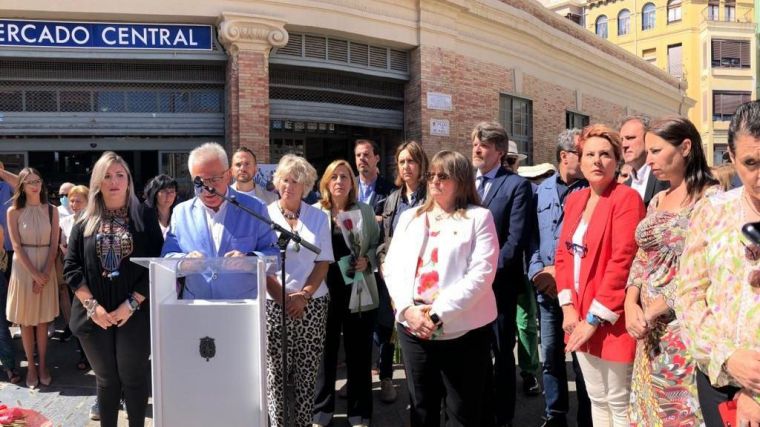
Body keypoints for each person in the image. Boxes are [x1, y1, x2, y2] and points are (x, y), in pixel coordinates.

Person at [384, 150, 499, 426]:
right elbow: (392, 266)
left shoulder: (479, 218)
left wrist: (437, 315)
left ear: (460, 181)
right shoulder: (409, 217)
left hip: (463, 332)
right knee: (422, 409)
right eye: (431, 175)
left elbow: (481, 275)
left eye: (443, 176)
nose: (434, 181)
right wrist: (407, 310)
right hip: (414, 330)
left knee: (463, 412)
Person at [624, 116, 718, 425]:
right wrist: (630, 301)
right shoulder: (658, 199)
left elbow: (706, 270)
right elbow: (643, 256)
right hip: (648, 333)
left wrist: (656, 309)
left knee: (680, 413)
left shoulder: (712, 200)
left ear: (685, 147)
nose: (647, 160)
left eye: (655, 151)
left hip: (683, 330)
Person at [676, 101, 760, 426]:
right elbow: (689, 296)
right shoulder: (712, 212)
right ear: (732, 155)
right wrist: (727, 356)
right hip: (717, 383)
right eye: (750, 163)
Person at [63, 152, 162, 427]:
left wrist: (131, 303)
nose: (114, 181)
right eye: (107, 175)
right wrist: (92, 307)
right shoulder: (84, 219)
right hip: (94, 316)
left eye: (120, 175)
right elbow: (71, 267)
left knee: (133, 378)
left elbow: (157, 263)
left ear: (128, 181)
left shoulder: (143, 215)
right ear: (98, 181)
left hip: (134, 313)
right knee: (106, 381)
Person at [555, 124, 645, 427]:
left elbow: (623, 262)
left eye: (605, 154)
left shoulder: (626, 199)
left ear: (617, 160)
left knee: (619, 402)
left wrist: (593, 320)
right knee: (595, 398)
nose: (597, 160)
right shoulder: (576, 200)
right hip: (577, 317)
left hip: (611, 319)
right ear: (579, 160)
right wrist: (568, 307)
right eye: (590, 154)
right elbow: (562, 256)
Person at [528, 129, 592, 427]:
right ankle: (555, 414)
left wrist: (560, 272)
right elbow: (532, 238)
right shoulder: (541, 191)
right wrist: (537, 270)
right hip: (545, 289)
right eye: (583, 153)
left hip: (577, 291)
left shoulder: (591, 192)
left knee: (580, 358)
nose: (589, 159)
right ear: (565, 156)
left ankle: (587, 417)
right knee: (550, 355)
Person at [471, 121, 533, 426]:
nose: (477, 150)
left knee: (501, 354)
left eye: (483, 145)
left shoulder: (516, 186)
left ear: (499, 151)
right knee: (474, 353)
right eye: (474, 145)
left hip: (498, 286)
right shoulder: (467, 183)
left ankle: (503, 415)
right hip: (467, 287)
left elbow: (515, 240)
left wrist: (486, 275)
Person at [265, 154, 333, 427]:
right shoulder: (264, 214)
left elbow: (323, 262)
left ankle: (305, 423)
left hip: (312, 303)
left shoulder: (318, 217)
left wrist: (303, 296)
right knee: (277, 374)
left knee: (307, 373)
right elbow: (263, 266)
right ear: (276, 182)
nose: (289, 186)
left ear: (305, 186)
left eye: (296, 181)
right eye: (284, 179)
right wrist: (284, 298)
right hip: (275, 304)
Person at [161, 142, 279, 299]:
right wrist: (183, 262)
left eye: (215, 179)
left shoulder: (255, 209)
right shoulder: (180, 213)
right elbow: (166, 258)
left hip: (242, 309)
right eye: (200, 181)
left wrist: (249, 260)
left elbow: (275, 257)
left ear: (228, 175)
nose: (207, 188)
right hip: (197, 307)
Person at [313, 159, 380, 427]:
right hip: (323, 291)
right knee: (324, 354)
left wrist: (369, 260)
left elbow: (378, 244)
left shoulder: (364, 211)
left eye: (345, 176)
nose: (340, 181)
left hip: (357, 289)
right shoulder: (315, 212)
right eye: (335, 177)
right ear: (326, 182)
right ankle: (321, 411)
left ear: (352, 183)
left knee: (359, 354)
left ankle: (359, 412)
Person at [376, 141, 428, 403]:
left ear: (421, 164)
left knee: (421, 334)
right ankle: (386, 377)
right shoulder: (393, 200)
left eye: (411, 161)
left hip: (424, 281)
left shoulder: (431, 196)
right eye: (402, 162)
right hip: (395, 281)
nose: (406, 167)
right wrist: (383, 263)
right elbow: (384, 241)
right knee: (388, 330)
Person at [6, 168, 60, 388]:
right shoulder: (13, 212)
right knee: (26, 322)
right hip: (24, 268)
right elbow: (16, 246)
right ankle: (30, 367)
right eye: (29, 182)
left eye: (37, 180)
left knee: (42, 320)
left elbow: (55, 243)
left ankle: (43, 365)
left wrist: (45, 274)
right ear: (21, 186)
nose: (34, 185)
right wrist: (34, 275)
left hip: (46, 265)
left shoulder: (52, 210)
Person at [353, 139, 397, 403]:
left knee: (383, 324)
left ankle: (387, 377)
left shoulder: (390, 190)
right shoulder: (349, 187)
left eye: (367, 155)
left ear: (377, 158)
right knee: (358, 325)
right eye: (358, 155)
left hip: (379, 265)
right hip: (354, 266)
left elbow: (390, 226)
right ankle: (360, 379)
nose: (362, 160)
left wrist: (372, 220)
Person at [504, 140, 541, 396]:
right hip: (495, 270)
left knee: (525, 323)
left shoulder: (530, 189)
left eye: (511, 160)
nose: (507, 164)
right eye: (504, 159)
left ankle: (528, 372)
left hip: (523, 268)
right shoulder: (482, 189)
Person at [620, 115, 670, 207]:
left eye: (630, 138)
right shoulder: (624, 187)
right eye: (621, 140)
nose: (624, 145)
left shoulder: (666, 178)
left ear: (647, 139)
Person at [142, 174, 178, 239]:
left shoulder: (179, 213)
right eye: (164, 191)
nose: (168, 195)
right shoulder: (144, 215)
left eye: (172, 191)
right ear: (155, 193)